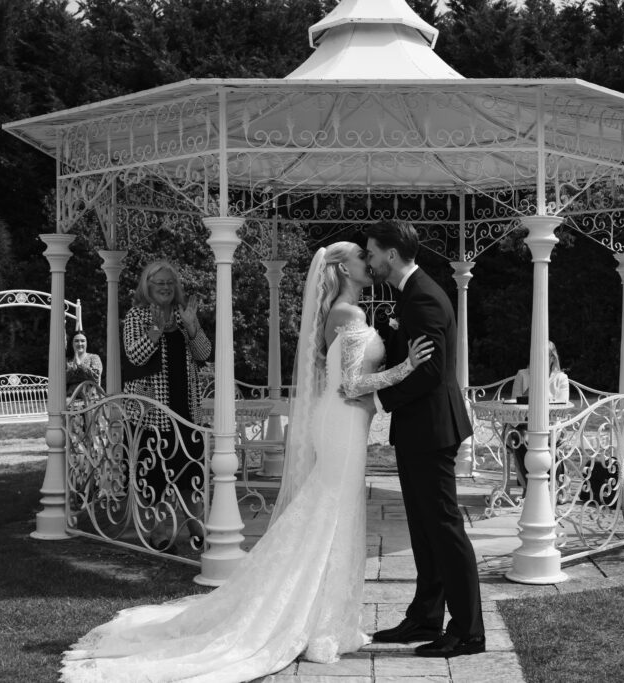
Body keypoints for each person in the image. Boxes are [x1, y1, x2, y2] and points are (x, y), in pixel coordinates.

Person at [60, 242, 433, 682]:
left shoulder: (347, 312)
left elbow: (205, 353)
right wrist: (405, 367)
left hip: (344, 422)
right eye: (360, 256)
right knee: (331, 511)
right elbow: (351, 384)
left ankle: (331, 620)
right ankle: (317, 621)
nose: (368, 262)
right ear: (340, 267)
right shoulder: (346, 315)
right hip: (339, 420)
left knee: (336, 513)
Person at [364, 220, 486, 659]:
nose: (369, 260)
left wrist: (381, 395)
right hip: (419, 429)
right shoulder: (409, 296)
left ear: (391, 254)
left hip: (433, 430)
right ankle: (425, 616)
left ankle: (469, 631)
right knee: (424, 527)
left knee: (445, 529)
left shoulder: (424, 298)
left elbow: (432, 372)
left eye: (372, 252)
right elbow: (410, 359)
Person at [121, 260, 213, 551]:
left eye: (169, 283)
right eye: (158, 282)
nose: (164, 287)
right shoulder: (137, 315)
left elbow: (204, 354)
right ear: (146, 287)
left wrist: (192, 326)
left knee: (189, 473)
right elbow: (134, 356)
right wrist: (155, 331)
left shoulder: (183, 314)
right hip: (151, 413)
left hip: (186, 408)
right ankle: (159, 531)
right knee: (156, 475)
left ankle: (194, 525)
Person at [509, 341, 569, 486]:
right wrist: (533, 385)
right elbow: (513, 405)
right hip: (524, 422)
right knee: (520, 436)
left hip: (551, 424)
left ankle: (551, 484)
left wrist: (544, 393)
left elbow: (561, 409)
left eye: (543, 355)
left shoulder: (561, 378)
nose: (538, 359)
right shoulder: (522, 375)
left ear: (552, 358)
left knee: (541, 437)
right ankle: (530, 487)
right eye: (535, 355)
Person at [65, 330, 103, 395]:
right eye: (76, 341)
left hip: (91, 399)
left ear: (87, 343)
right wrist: (72, 371)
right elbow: (60, 381)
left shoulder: (94, 358)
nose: (80, 344)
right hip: (70, 399)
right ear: (72, 343)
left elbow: (96, 377)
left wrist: (80, 365)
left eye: (82, 341)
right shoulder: (66, 360)